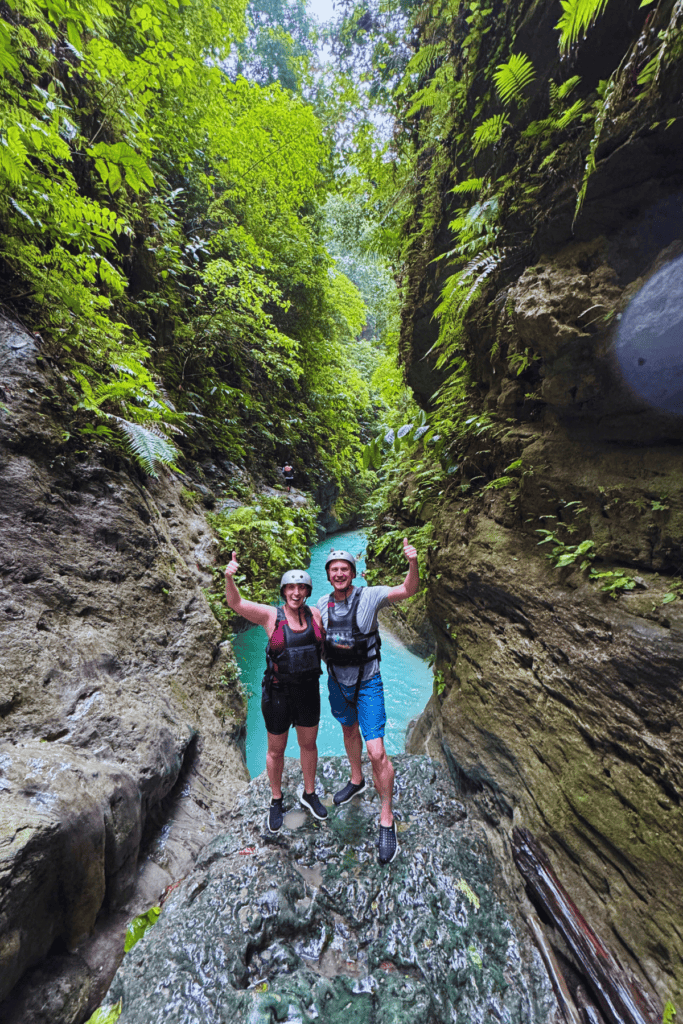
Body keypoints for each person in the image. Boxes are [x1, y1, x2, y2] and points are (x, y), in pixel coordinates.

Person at [317, 540, 419, 864]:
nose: (339, 574)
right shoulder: (321, 604)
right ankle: (356, 779)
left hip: (368, 683)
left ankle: (386, 815)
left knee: (376, 750)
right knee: (349, 732)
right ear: (328, 575)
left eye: (344, 569)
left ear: (353, 573)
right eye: (334, 570)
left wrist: (412, 562)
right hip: (337, 683)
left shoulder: (370, 595)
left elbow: (407, 589)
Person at [224, 553, 328, 832]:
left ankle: (309, 794)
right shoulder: (271, 615)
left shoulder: (315, 614)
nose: (296, 592)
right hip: (278, 693)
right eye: (290, 588)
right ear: (283, 592)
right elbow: (235, 603)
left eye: (301, 587)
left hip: (308, 691)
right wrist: (229, 577)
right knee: (275, 750)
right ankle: (276, 799)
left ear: (307, 591)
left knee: (309, 744)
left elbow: (323, 650)